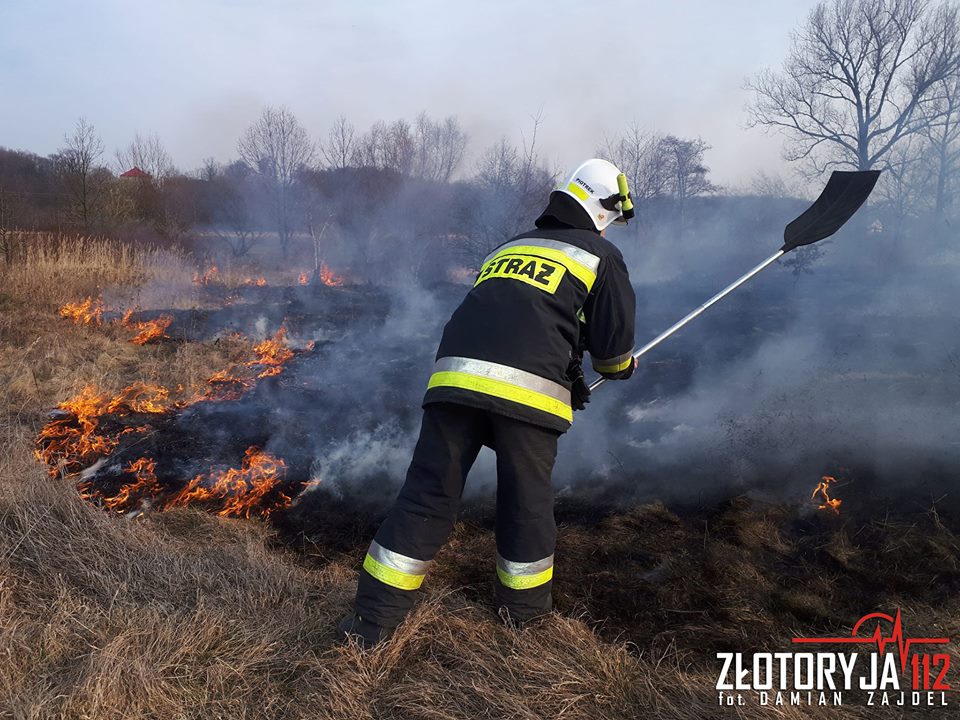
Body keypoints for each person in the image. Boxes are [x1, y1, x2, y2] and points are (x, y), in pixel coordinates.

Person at [338, 158, 638, 648]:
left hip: (453, 381)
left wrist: (567, 362)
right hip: (527, 395)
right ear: (602, 207)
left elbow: (511, 317)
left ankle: (368, 626)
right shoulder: (599, 255)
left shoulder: (510, 246)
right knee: (525, 505)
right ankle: (523, 621)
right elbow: (613, 352)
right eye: (612, 217)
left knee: (426, 497)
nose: (611, 228)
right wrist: (617, 368)